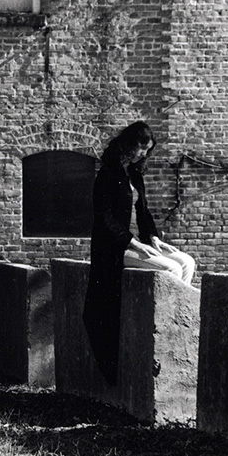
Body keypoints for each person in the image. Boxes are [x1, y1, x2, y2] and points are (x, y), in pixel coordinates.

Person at [82, 121, 196, 384]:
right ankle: (165, 324)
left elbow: (143, 213)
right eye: (142, 148)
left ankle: (177, 320)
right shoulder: (107, 174)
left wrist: (155, 238)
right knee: (171, 269)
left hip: (140, 242)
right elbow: (105, 219)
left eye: (148, 150)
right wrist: (132, 242)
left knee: (186, 262)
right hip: (115, 248)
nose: (144, 154)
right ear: (130, 144)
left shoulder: (135, 175)